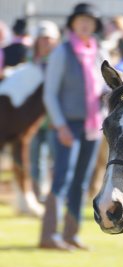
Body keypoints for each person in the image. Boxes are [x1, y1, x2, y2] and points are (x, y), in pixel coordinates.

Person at [39, 2, 108, 251]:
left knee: (81, 182)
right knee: (61, 180)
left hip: (92, 127)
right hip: (67, 125)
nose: (85, 23)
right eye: (81, 19)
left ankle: (71, 234)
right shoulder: (62, 52)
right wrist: (60, 126)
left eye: (89, 20)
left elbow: (102, 87)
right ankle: (48, 236)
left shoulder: (99, 52)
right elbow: (49, 95)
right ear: (72, 23)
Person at [29, 20, 60, 201]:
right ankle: (36, 194)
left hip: (52, 120)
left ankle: (53, 194)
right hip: (31, 121)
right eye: (43, 38)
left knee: (54, 161)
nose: (46, 42)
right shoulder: (30, 60)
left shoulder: (58, 60)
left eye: (49, 38)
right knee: (35, 161)